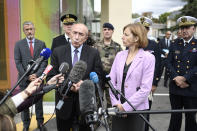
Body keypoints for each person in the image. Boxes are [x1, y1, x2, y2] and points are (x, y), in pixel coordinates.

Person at [47, 23, 103, 131]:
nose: (77, 37)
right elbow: (51, 76)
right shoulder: (57, 52)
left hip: (85, 106)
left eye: (81, 34)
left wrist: (84, 85)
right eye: (75, 33)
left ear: (86, 37)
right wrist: (63, 83)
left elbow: (99, 79)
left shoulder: (93, 53)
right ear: (70, 33)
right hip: (63, 104)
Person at [109, 23, 155, 131]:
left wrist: (125, 107)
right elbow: (111, 81)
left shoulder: (148, 58)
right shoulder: (120, 55)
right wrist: (117, 104)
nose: (122, 37)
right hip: (118, 107)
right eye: (123, 34)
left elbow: (145, 89)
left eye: (126, 34)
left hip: (137, 109)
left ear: (136, 38)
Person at [14, 21, 47, 131]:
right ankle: (26, 125)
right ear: (24, 31)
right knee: (24, 104)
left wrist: (37, 75)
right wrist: (27, 75)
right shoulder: (18, 44)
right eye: (27, 29)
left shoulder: (41, 44)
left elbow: (44, 62)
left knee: (38, 103)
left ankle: (40, 123)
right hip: (24, 80)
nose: (29, 31)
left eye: (31, 29)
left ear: (34, 29)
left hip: (38, 79)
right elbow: (17, 62)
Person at [167, 16, 197, 131]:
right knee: (175, 117)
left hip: (191, 87)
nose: (184, 30)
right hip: (176, 88)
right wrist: (176, 78)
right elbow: (168, 62)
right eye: (182, 28)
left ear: (193, 28)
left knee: (190, 118)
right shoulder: (174, 43)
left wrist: (185, 78)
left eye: (187, 27)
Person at [134, 16, 161, 131]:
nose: (142, 30)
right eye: (140, 28)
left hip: (148, 85)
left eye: (145, 28)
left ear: (148, 30)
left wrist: (154, 83)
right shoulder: (132, 44)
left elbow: (158, 65)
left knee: (145, 112)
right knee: (132, 112)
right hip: (133, 85)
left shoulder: (154, 45)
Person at [93, 22, 122, 128]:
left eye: (109, 30)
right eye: (105, 29)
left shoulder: (117, 47)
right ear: (103, 31)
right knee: (97, 102)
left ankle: (110, 125)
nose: (107, 31)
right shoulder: (96, 46)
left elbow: (121, 64)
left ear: (112, 31)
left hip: (111, 81)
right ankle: (96, 124)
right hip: (98, 80)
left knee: (111, 104)